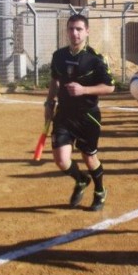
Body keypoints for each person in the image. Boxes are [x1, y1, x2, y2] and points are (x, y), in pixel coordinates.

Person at [45, 14, 116, 211]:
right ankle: (81, 180)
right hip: (64, 115)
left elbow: (110, 87)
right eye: (71, 29)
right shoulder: (59, 56)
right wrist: (49, 103)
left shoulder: (95, 59)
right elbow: (55, 80)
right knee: (61, 160)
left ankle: (100, 191)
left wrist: (84, 90)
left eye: (78, 29)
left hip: (88, 116)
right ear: (67, 31)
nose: (74, 33)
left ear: (87, 31)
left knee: (89, 158)